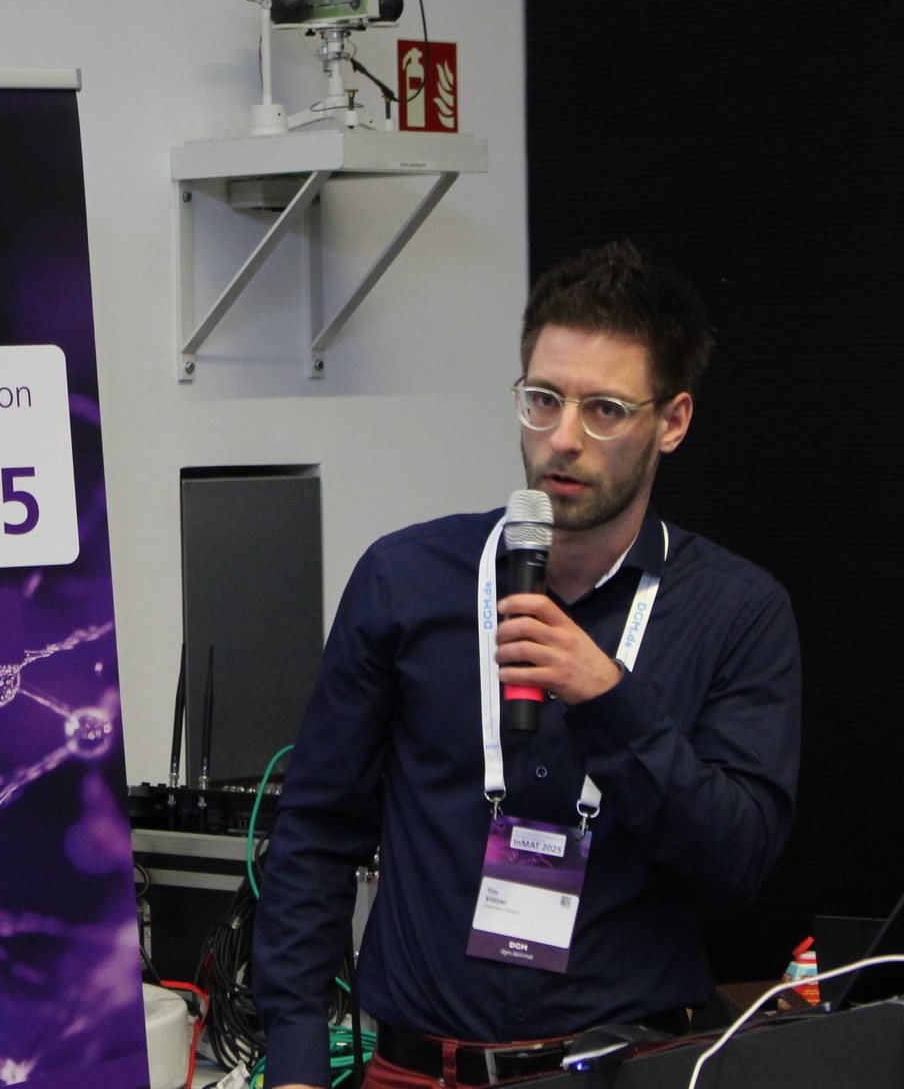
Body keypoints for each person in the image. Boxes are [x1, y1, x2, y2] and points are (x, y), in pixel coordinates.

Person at [250, 241, 801, 1088]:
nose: (563, 440)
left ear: (673, 421)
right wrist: (295, 1060)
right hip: (419, 1069)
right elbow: (317, 833)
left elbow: (736, 862)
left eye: (605, 410)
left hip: (629, 1066)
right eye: (543, 400)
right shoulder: (405, 580)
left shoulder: (737, 611)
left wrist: (608, 698)